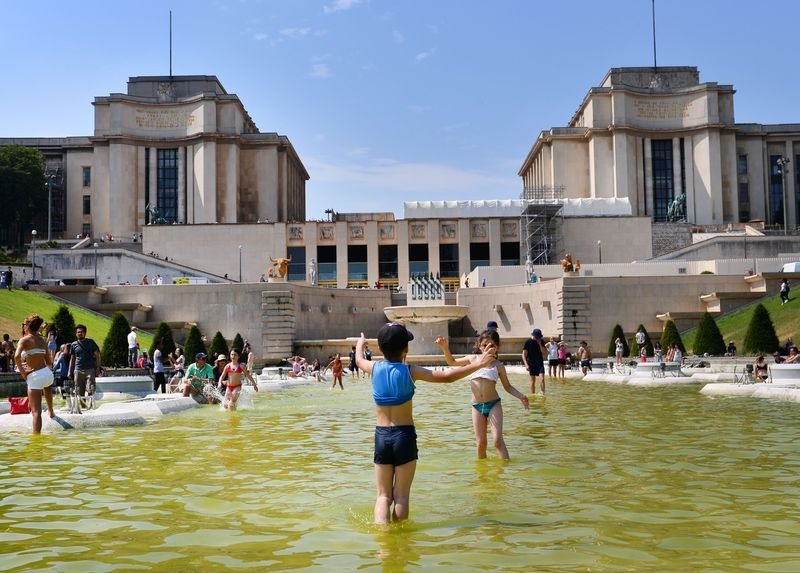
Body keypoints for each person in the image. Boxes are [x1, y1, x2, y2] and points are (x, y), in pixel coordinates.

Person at [354, 322, 495, 524]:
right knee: (401, 496)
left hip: (382, 437)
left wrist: (361, 342)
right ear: (406, 348)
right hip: (404, 437)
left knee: (383, 496)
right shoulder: (410, 371)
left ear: (381, 349)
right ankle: (401, 540)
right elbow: (446, 377)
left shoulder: (374, 368)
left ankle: (383, 539)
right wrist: (480, 364)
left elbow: (359, 360)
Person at [436, 331, 529, 460]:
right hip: (477, 406)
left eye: (491, 345)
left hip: (493, 404)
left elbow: (507, 386)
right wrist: (444, 347)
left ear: (498, 347)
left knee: (497, 441)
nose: (487, 348)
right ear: (479, 346)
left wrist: (521, 396)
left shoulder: (498, 365)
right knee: (481, 444)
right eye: (485, 345)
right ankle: (481, 471)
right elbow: (452, 362)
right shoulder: (472, 359)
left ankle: (506, 468)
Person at [14, 315, 55, 434]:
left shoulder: (24, 340)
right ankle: (51, 411)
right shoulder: (42, 340)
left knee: (36, 412)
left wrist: (23, 373)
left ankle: (36, 438)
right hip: (48, 375)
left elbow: (16, 357)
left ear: (27, 326)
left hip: (35, 375)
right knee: (47, 386)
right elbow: (49, 362)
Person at [68, 324, 102, 409]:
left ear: (85, 333)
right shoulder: (73, 345)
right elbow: (72, 359)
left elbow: (97, 355)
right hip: (78, 370)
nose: (80, 333)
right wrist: (69, 371)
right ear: (76, 333)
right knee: (78, 391)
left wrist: (98, 367)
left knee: (90, 389)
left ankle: (90, 406)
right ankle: (83, 407)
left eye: (81, 332)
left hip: (90, 369)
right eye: (78, 332)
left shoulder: (91, 342)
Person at [522, 329, 546, 394]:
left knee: (542, 379)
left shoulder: (541, 341)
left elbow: (544, 352)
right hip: (531, 364)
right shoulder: (528, 342)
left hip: (540, 363)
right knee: (533, 381)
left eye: (539, 337)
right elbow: (523, 354)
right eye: (537, 337)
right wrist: (526, 365)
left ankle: (543, 394)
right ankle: (533, 394)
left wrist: (540, 344)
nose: (538, 338)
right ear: (534, 336)